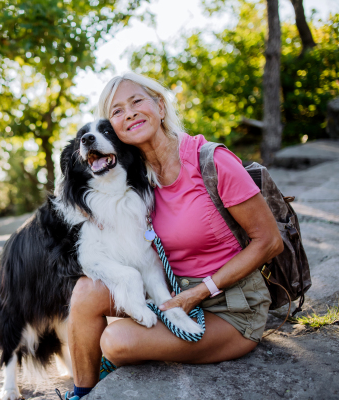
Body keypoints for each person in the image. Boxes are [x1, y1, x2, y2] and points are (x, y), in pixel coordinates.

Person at [60, 72, 284, 400]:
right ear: (114, 130)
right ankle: (83, 392)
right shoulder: (133, 180)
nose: (130, 113)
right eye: (117, 111)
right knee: (85, 292)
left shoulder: (212, 161)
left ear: (160, 107)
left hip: (231, 307)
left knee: (115, 341)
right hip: (171, 294)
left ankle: (109, 367)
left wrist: (199, 293)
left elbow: (269, 241)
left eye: (137, 101)